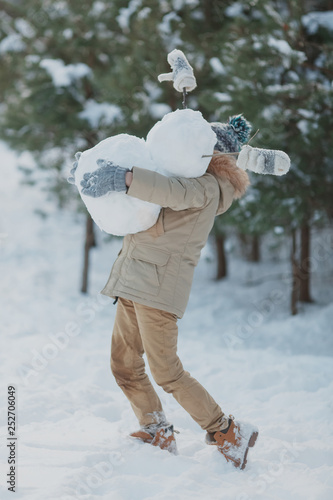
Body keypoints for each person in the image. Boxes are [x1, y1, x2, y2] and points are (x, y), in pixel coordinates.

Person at [69, 135, 259, 469]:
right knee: (123, 363)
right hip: (134, 280)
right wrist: (88, 176)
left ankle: (228, 431)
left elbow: (166, 191)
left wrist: (125, 178)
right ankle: (156, 429)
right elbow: (140, 202)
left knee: (167, 371)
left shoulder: (207, 187)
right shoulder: (184, 178)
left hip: (157, 289)